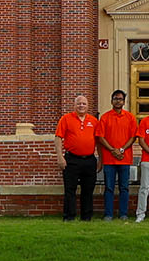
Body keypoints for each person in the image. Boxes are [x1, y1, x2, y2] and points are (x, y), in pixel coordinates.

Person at [55, 93, 100, 221]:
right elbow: (58, 138)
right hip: (71, 160)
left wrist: (100, 159)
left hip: (89, 160)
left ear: (88, 106)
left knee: (88, 190)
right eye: (79, 103)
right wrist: (60, 157)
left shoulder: (93, 121)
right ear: (74, 105)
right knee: (70, 190)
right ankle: (69, 217)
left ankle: (86, 217)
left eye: (84, 104)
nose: (81, 106)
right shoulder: (66, 119)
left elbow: (98, 141)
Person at [97, 89, 139, 219]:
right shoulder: (105, 117)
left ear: (124, 101)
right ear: (111, 101)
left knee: (124, 188)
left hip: (124, 158)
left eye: (120, 99)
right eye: (115, 99)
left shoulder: (130, 117)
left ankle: (123, 214)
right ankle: (108, 214)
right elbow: (100, 137)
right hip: (109, 160)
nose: (118, 101)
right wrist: (112, 150)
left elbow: (133, 137)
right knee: (109, 188)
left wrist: (121, 150)